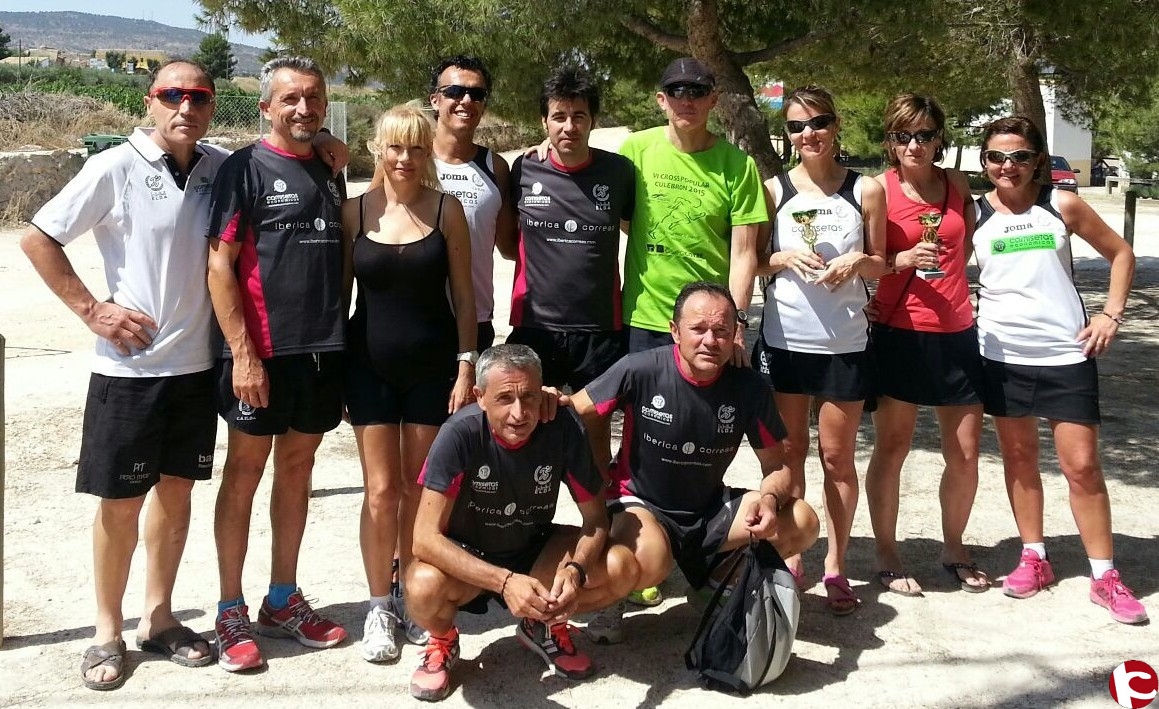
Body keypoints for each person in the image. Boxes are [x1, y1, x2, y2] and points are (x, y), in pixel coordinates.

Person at [20, 59, 225, 691]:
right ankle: (106, 631)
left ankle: (159, 618)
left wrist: (328, 146)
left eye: (198, 96)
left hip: (196, 367)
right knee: (120, 505)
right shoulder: (114, 166)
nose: (185, 106)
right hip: (130, 371)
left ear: (211, 105)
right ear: (149, 101)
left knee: (177, 496)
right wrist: (93, 310)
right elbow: (39, 238)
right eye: (172, 95)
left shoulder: (219, 166)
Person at [569, 281, 820, 644]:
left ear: (735, 334)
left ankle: (714, 583)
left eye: (721, 331)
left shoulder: (748, 386)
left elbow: (778, 466)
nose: (709, 341)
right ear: (675, 331)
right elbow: (576, 411)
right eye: (698, 329)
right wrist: (595, 470)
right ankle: (612, 598)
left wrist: (768, 500)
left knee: (802, 521)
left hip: (707, 508)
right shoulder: (640, 369)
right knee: (651, 559)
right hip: (642, 505)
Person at [206, 56, 350, 672]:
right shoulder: (243, 168)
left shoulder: (331, 168)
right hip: (259, 355)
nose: (303, 108)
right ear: (266, 106)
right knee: (243, 473)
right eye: (290, 98)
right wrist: (243, 355)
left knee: (297, 468)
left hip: (320, 351)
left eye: (313, 98)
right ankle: (229, 609)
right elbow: (219, 265)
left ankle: (282, 599)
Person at [973, 116, 1146, 624]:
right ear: (984, 162)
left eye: (1020, 156)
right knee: (1019, 460)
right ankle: (1034, 556)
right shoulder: (973, 212)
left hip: (1066, 354)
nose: (1008, 166)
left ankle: (1105, 575)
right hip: (1001, 356)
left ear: (1038, 161)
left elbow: (1121, 253)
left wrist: (1111, 314)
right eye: (997, 157)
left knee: (1082, 467)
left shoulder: (1061, 204)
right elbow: (940, 271)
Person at [406, 344, 634, 701]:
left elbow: (596, 519)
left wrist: (575, 571)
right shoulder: (459, 433)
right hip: (469, 557)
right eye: (504, 398)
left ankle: (542, 625)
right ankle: (443, 640)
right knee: (421, 584)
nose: (519, 413)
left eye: (529, 396)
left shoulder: (560, 425)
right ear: (480, 397)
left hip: (533, 548)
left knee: (620, 565)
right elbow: (423, 538)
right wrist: (504, 581)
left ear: (542, 392)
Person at [343, 105, 477, 663]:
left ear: (427, 154)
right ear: (378, 149)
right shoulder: (354, 212)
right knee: (380, 491)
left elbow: (464, 296)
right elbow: (340, 299)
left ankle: (409, 595)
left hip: (432, 367)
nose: (405, 158)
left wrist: (467, 365)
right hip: (368, 366)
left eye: (416, 148)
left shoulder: (447, 210)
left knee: (418, 491)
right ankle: (379, 604)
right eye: (395, 147)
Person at [752, 85, 887, 615]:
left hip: (845, 345)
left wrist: (857, 262)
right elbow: (753, 261)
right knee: (788, 457)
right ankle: (792, 553)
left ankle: (836, 564)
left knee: (837, 458)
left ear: (836, 126)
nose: (808, 134)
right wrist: (783, 258)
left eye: (818, 123)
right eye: (796, 126)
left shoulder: (865, 189)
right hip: (785, 341)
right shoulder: (773, 190)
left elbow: (881, 262)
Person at [864, 94, 989, 598]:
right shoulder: (878, 189)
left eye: (924, 135)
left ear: (939, 138)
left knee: (966, 452)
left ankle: (954, 549)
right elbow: (866, 260)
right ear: (890, 141)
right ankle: (887, 554)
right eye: (902, 135)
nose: (913, 145)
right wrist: (902, 262)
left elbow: (967, 244)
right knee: (892, 448)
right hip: (900, 332)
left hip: (958, 332)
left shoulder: (956, 183)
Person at [498, 66, 635, 390]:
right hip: (536, 325)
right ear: (544, 122)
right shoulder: (524, 168)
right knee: (534, 416)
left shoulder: (618, 171)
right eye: (559, 117)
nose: (569, 126)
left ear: (593, 121)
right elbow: (507, 244)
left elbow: (634, 230)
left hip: (599, 328)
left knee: (594, 418)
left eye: (579, 116)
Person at [619, 57, 765, 359]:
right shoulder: (634, 150)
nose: (686, 101)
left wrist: (736, 323)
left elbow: (743, 254)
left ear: (713, 99)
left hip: (708, 325)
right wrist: (545, 148)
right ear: (662, 100)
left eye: (697, 92)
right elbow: (616, 213)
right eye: (677, 91)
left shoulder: (739, 166)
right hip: (643, 319)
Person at [371, 55, 513, 351]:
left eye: (477, 94)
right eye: (455, 92)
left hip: (475, 321)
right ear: (434, 100)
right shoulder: (403, 162)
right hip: (412, 320)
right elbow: (367, 226)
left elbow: (510, 247)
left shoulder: (496, 167)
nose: (466, 100)